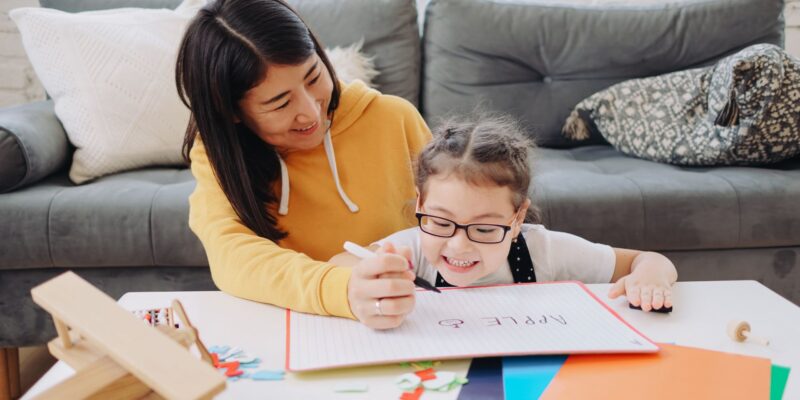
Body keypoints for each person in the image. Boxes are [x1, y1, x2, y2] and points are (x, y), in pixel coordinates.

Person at [176, 0, 428, 326]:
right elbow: (230, 254)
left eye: (313, 77)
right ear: (232, 112)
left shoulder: (395, 118)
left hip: (405, 316)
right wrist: (341, 289)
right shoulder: (218, 154)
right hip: (296, 323)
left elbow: (450, 214)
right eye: (280, 103)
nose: (310, 112)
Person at [332, 114, 678, 328]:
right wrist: (372, 275)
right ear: (421, 203)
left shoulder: (542, 249)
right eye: (441, 222)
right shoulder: (411, 248)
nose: (458, 245)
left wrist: (650, 278)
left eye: (484, 229)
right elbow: (337, 266)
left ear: (517, 219)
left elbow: (647, 260)